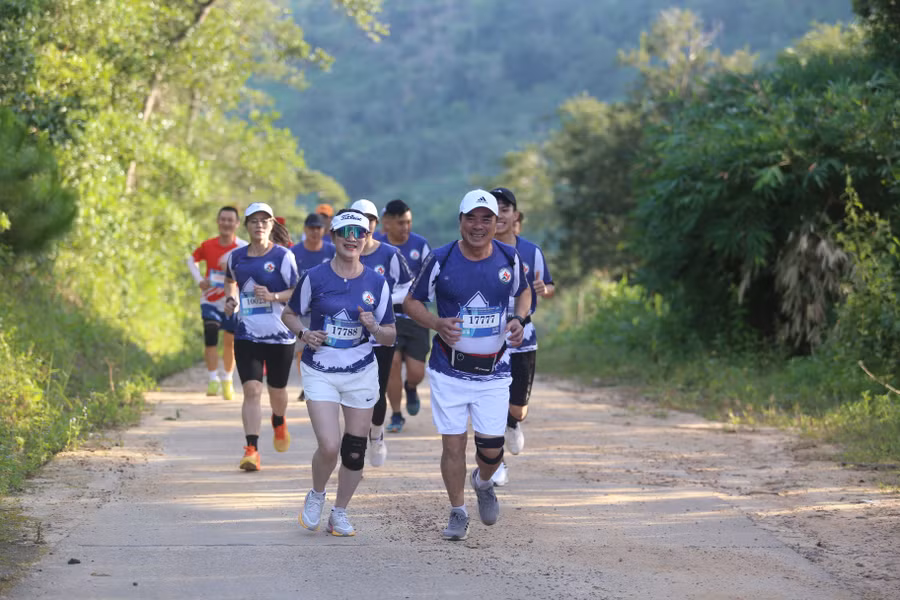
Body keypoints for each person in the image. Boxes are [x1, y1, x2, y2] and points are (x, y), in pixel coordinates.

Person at [404, 189, 531, 541]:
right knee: (454, 445)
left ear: (496, 222)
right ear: (460, 220)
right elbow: (412, 302)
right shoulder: (441, 259)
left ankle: (484, 481)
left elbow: (524, 293)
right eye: (471, 218)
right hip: (449, 370)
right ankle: (458, 511)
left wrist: (520, 319)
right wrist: (436, 324)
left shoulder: (508, 257)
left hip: (495, 371)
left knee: (491, 450)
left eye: (486, 218)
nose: (478, 226)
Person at [282, 208, 396, 537]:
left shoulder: (377, 282)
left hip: (361, 371)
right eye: (345, 233)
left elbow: (390, 335)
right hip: (320, 369)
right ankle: (317, 494)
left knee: (354, 450)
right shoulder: (315, 277)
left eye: (358, 233)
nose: (352, 239)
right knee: (330, 445)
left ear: (366, 238)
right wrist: (304, 334)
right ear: (333, 237)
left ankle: (340, 512)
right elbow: (289, 315)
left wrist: (374, 327)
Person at [223, 202, 299, 472]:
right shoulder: (236, 257)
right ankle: (251, 449)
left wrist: (274, 296)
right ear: (246, 225)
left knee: (277, 391)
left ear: (271, 225)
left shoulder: (283, 257)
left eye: (264, 221)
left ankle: (278, 419)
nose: (259, 225)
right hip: (247, 335)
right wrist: (231, 299)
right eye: (254, 221)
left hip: (280, 336)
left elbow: (297, 291)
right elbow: (230, 280)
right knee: (252, 390)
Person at [489, 187, 555, 486]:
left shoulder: (531, 251)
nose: (500, 214)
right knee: (491, 402)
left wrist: (545, 290)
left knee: (518, 407)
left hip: (523, 338)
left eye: (505, 208)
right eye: (494, 209)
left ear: (514, 215)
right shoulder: (478, 250)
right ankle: (495, 460)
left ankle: (513, 422)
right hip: (488, 339)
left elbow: (549, 286)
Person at [350, 199, 412, 466]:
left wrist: (384, 300)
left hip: (382, 333)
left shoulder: (389, 254)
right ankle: (355, 449)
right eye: (359, 218)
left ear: (376, 223)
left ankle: (377, 433)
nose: (365, 223)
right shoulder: (345, 252)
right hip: (351, 337)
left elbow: (408, 285)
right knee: (354, 393)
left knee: (377, 390)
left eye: (370, 219)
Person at [380, 198, 432, 432]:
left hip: (417, 316)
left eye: (408, 222)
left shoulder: (420, 245)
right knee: (393, 364)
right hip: (388, 317)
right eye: (401, 223)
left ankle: (411, 387)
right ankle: (396, 414)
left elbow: (432, 279)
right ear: (387, 223)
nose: (405, 228)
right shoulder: (376, 247)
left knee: (416, 372)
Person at [186, 206, 248, 401]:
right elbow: (191, 260)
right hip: (210, 299)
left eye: (231, 220)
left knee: (230, 342)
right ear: (218, 222)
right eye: (223, 219)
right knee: (210, 336)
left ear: (237, 224)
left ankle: (227, 380)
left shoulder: (243, 247)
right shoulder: (208, 245)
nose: (226, 223)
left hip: (232, 300)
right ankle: (213, 378)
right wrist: (199, 280)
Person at [290, 213, 337, 402]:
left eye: (318, 228)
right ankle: (306, 384)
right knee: (302, 349)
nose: (315, 232)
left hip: (327, 310)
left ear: (323, 230)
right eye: (311, 228)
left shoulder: (332, 251)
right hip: (303, 309)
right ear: (305, 230)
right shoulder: (294, 252)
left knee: (326, 347)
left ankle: (327, 382)